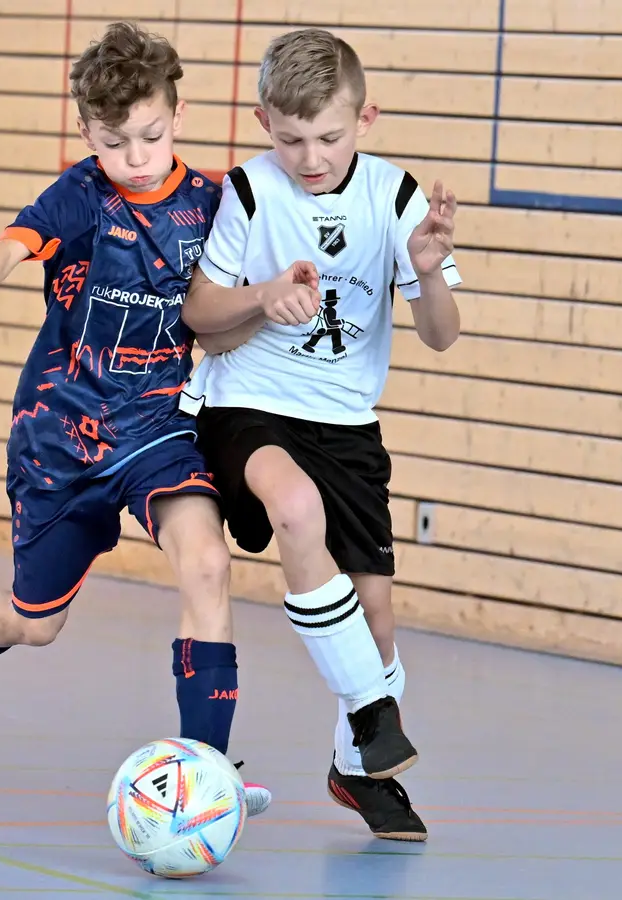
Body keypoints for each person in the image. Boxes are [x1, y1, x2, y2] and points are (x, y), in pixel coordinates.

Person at [0, 21, 270, 817]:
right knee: (35, 624)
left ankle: (206, 775)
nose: (136, 157)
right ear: (87, 133)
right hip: (61, 438)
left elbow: (231, 299)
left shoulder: (213, 203)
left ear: (177, 115)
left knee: (207, 564)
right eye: (115, 143)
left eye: (151, 136)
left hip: (157, 429)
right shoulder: (81, 195)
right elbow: (10, 245)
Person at [178, 28, 463, 842]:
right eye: (291, 139)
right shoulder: (248, 192)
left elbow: (441, 335)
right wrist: (263, 296)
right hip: (248, 407)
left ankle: (354, 767)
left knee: (376, 622)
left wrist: (429, 269)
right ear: (263, 122)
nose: (310, 158)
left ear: (365, 119)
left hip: (346, 425)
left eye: (330, 138)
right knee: (296, 509)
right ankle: (373, 711)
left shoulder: (396, 199)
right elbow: (200, 315)